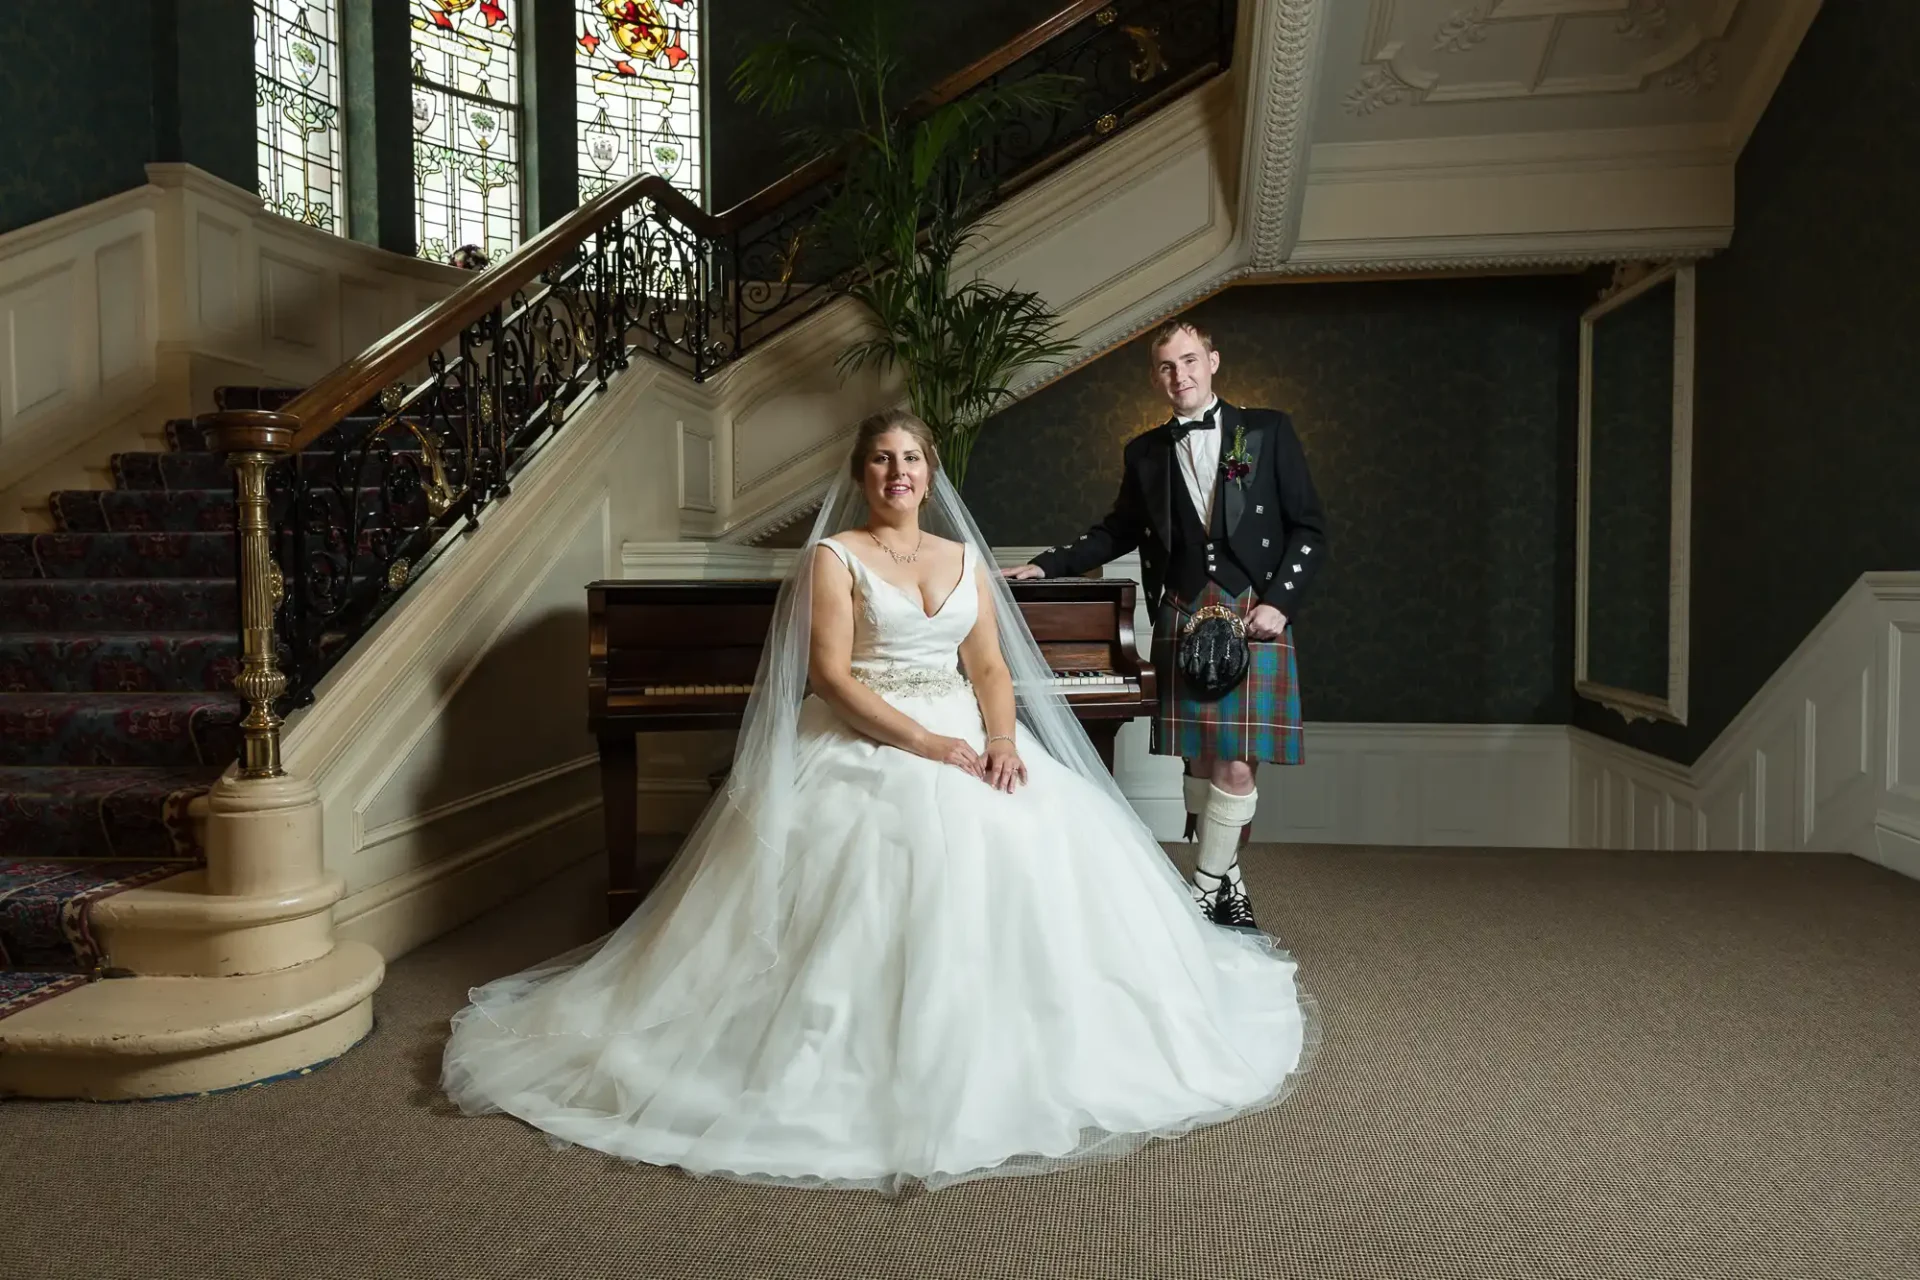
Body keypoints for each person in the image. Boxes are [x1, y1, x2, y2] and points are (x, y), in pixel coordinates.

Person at [441, 409, 1317, 1194]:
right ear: (862, 476)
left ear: (930, 475)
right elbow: (828, 676)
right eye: (881, 461)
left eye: (911, 460)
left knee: (1031, 838)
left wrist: (1002, 742)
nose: (898, 473)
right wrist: (931, 744)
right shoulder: (835, 557)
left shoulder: (962, 558)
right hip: (869, 733)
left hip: (969, 734)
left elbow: (988, 668)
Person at [1005, 318, 1328, 931]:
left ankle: (1202, 894)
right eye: (1165, 367)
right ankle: (1225, 879)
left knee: (1235, 763)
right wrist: (1046, 566)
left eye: (1188, 361)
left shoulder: (1267, 430)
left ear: (1212, 361)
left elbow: (1309, 527)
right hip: (1182, 608)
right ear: (1157, 377)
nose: (1179, 375)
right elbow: (1116, 529)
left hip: (1250, 609)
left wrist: (1281, 602)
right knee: (1199, 763)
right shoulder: (1145, 452)